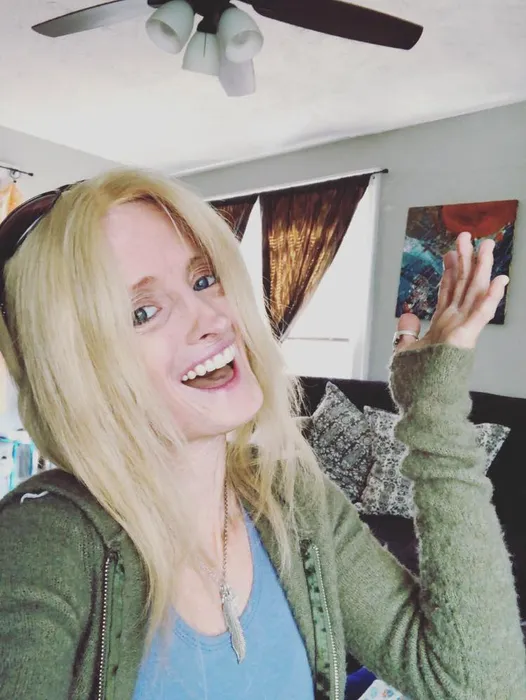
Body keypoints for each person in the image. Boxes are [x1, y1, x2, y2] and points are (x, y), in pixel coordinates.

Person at [0, 169, 523, 700]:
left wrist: (433, 406)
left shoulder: (295, 500)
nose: (212, 318)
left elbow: (476, 684)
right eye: (144, 311)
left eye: (203, 280)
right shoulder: (40, 542)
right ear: (75, 369)